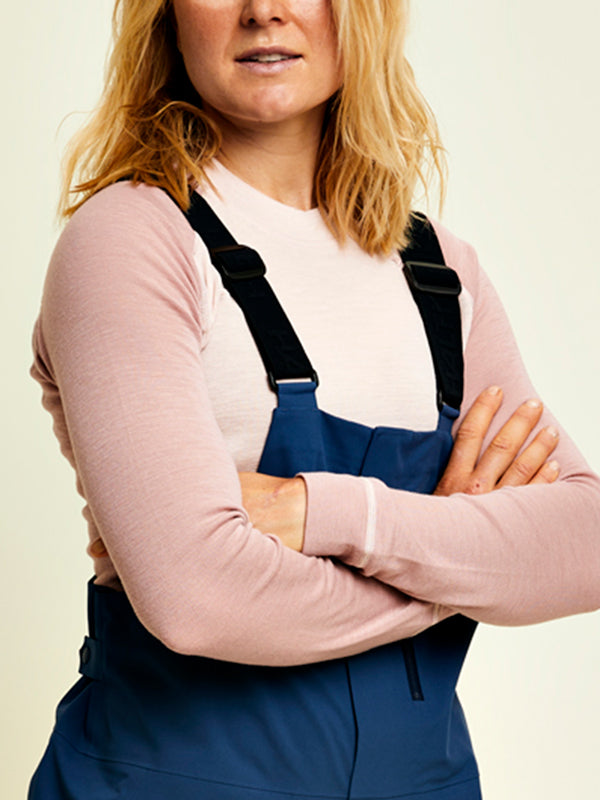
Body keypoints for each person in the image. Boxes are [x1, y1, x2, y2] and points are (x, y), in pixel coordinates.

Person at [28, 1, 600, 799]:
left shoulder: (438, 270)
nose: (264, 10)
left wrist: (321, 512)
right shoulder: (130, 241)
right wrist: (464, 564)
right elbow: (198, 600)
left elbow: (583, 543)